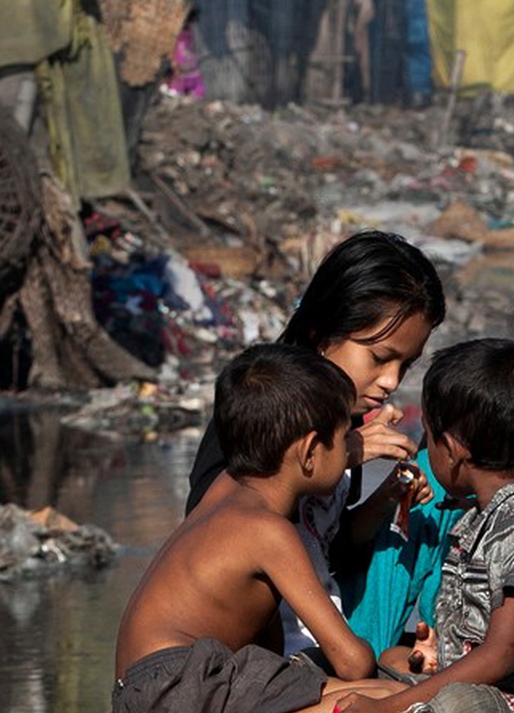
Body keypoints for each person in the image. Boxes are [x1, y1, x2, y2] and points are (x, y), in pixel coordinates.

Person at [111, 344, 405, 713]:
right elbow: (352, 663)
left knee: (361, 693)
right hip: (181, 699)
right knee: (390, 698)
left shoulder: (225, 490)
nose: (349, 452)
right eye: (344, 439)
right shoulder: (268, 530)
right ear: (309, 452)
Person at [322, 339, 514, 713]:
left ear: (452, 450)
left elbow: (500, 655)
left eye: (429, 437)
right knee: (388, 663)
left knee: (454, 711)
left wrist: (391, 712)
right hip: (488, 687)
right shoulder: (480, 514)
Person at [184, 229, 450, 658]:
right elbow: (214, 531)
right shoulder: (260, 406)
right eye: (380, 358)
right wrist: (345, 452)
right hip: (251, 649)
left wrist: (386, 497)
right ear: (322, 332)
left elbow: (328, 548)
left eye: (406, 365)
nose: (391, 381)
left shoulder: (347, 415)